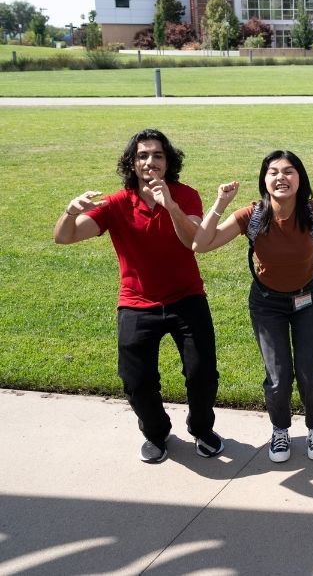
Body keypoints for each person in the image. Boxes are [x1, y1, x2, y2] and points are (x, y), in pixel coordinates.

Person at [54, 129, 222, 464]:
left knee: (202, 374)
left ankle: (201, 428)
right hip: (137, 303)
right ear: (132, 163)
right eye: (142, 156)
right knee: (136, 381)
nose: (150, 162)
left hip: (187, 298)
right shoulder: (117, 203)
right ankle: (156, 433)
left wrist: (170, 205)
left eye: (158, 155)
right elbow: (64, 237)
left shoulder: (185, 195)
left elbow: (193, 241)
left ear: (168, 162)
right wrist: (70, 212)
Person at [192, 151, 313, 462]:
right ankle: (280, 429)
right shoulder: (252, 215)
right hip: (267, 304)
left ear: (300, 178)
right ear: (264, 180)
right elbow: (201, 244)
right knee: (278, 375)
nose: (281, 177)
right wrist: (220, 204)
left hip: (308, 300)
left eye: (289, 171)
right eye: (273, 172)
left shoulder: (311, 211)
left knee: (308, 371)